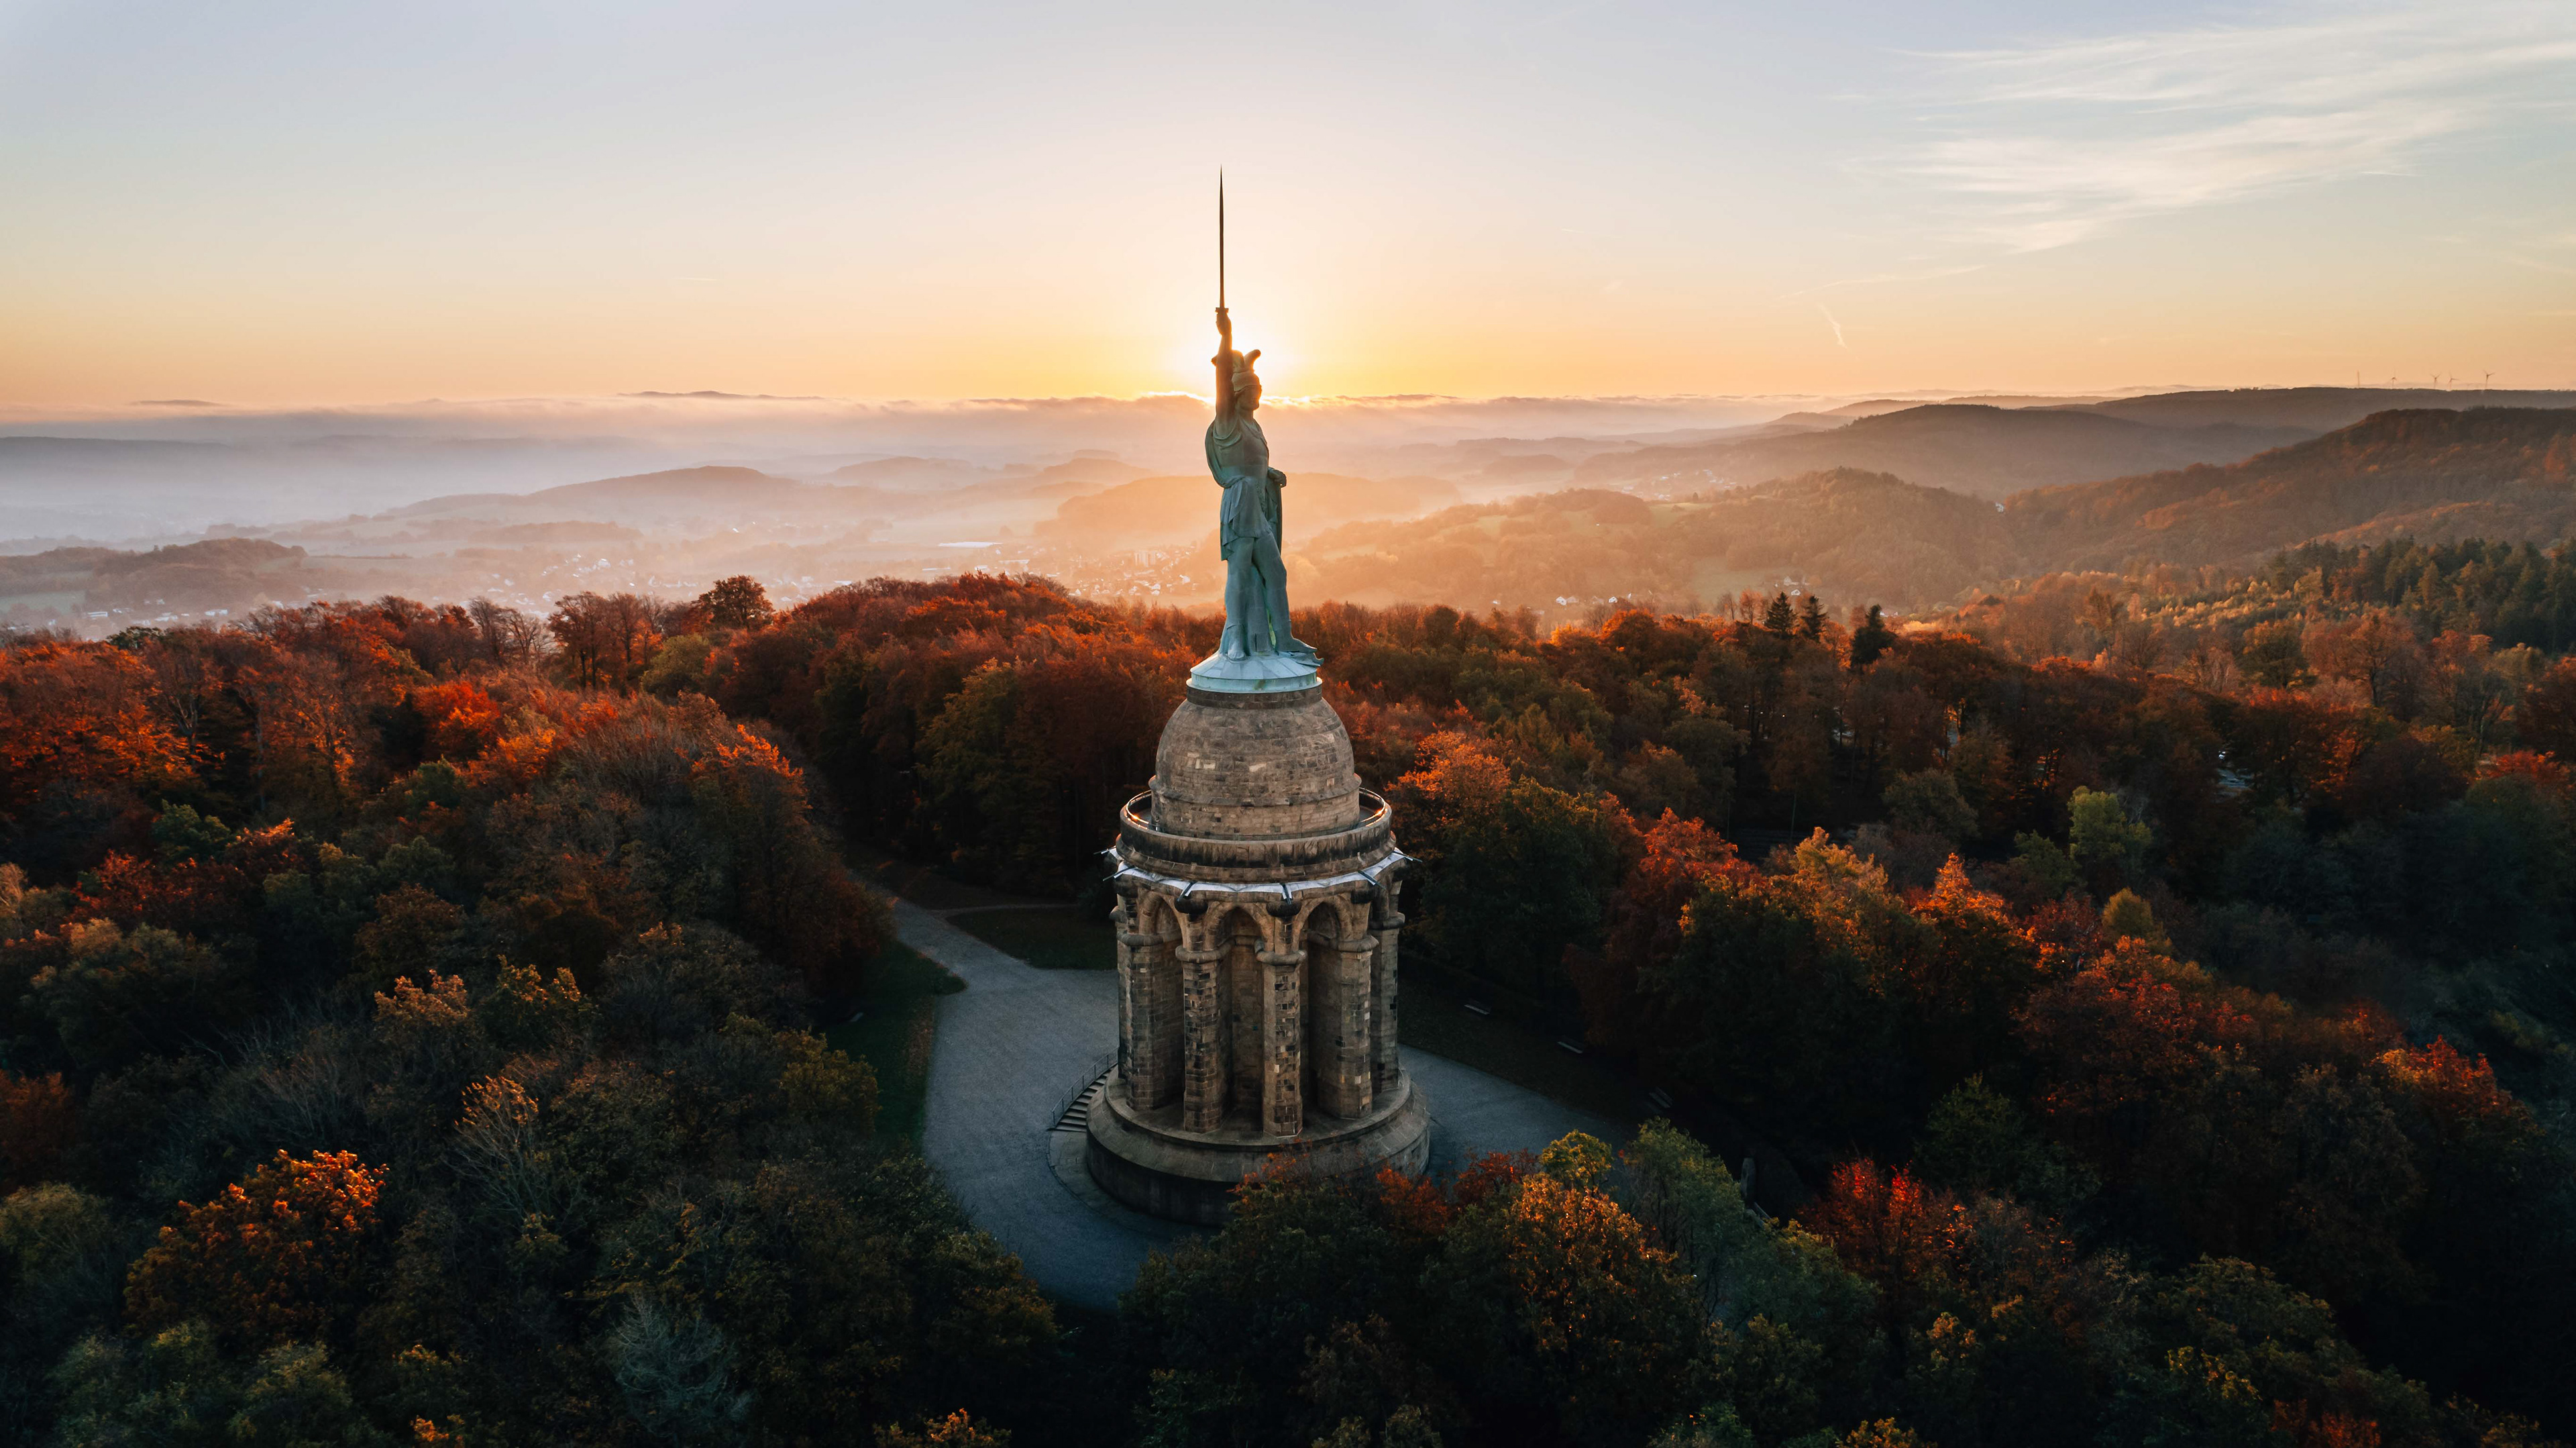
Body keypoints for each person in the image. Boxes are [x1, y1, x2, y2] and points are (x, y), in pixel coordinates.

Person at [1208, 306, 1316, 663]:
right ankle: (1236, 637)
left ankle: (1284, 637)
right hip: (1240, 504)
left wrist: (1270, 474)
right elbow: (1221, 382)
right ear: (1238, 393)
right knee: (1239, 572)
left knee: (1276, 571)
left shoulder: (1255, 426)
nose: (1257, 395)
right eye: (1251, 390)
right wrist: (1227, 336)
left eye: (1259, 389)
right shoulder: (1228, 422)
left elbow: (1253, 464)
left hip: (1259, 505)